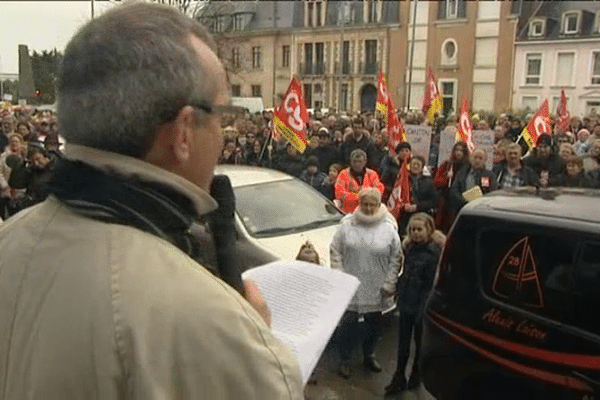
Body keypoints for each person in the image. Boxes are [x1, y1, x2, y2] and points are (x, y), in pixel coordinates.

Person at [0, 3, 302, 399]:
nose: (225, 136)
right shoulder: (213, 323)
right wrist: (253, 340)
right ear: (182, 132)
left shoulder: (8, 240)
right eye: (222, 116)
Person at [330, 187, 402, 379]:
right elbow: (335, 250)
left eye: (373, 204)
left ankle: (369, 354)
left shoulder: (388, 228)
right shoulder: (347, 225)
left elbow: (396, 257)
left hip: (376, 287)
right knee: (348, 325)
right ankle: (345, 359)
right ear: (359, 204)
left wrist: (389, 282)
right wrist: (339, 276)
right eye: (365, 204)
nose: (369, 208)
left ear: (379, 205)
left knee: (374, 326)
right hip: (351, 285)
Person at [385, 213, 445, 395]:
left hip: (420, 304)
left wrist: (422, 310)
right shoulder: (408, 248)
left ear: (428, 230)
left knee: (419, 343)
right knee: (403, 343)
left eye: (419, 229)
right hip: (406, 302)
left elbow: (430, 285)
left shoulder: (433, 252)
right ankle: (399, 375)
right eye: (412, 230)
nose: (416, 233)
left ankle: (416, 372)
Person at [434, 141, 470, 233]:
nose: (458, 152)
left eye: (461, 150)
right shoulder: (447, 165)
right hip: (446, 199)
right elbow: (437, 181)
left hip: (459, 200)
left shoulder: (468, 167)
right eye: (457, 150)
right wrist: (447, 178)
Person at [398, 155, 438, 236]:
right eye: (414, 164)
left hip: (421, 215)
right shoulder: (402, 179)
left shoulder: (428, 182)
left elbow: (434, 201)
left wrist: (418, 206)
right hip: (403, 216)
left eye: (418, 165)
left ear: (422, 167)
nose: (415, 166)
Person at [335, 149, 384, 214]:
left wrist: (359, 196)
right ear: (351, 161)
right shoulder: (343, 174)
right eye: (354, 161)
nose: (357, 164)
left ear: (365, 161)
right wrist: (363, 197)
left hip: (369, 212)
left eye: (360, 161)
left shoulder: (372, 174)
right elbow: (339, 194)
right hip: (349, 213)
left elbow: (379, 189)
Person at [450, 148, 497, 214]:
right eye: (475, 157)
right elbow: (454, 189)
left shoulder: (488, 175)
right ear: (471, 158)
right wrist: (463, 201)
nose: (477, 160)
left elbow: (489, 192)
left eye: (480, 158)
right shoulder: (462, 172)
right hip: (461, 209)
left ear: (485, 161)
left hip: (480, 211)